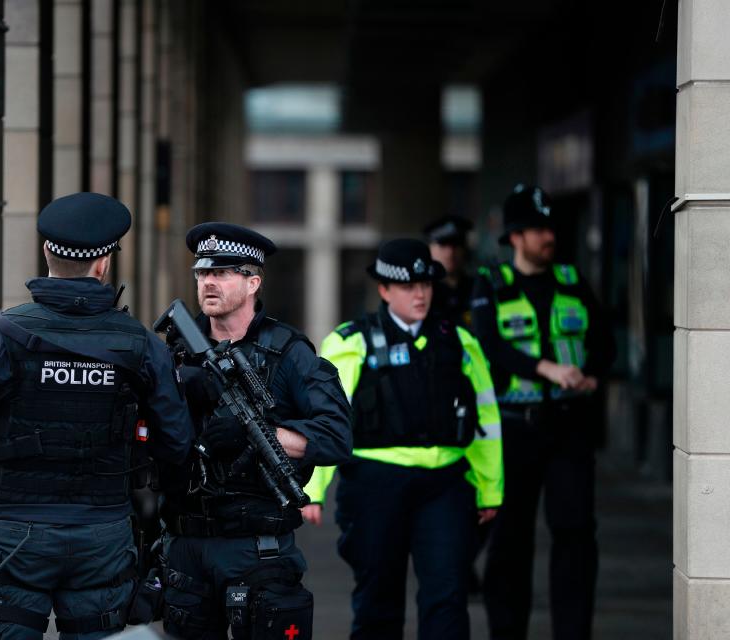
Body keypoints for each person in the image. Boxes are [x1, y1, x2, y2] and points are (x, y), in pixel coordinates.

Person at [0, 192, 193, 640]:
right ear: (104, 263)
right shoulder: (143, 345)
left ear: (47, 251)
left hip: (14, 536)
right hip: (103, 538)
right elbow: (176, 445)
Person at [158, 222, 352, 640]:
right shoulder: (170, 352)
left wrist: (259, 433)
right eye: (202, 273)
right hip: (185, 543)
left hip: (256, 548)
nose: (208, 282)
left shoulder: (288, 351)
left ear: (253, 283)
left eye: (222, 273)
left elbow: (336, 435)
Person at [302, 238, 503, 640]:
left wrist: (489, 488)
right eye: (409, 286)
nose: (420, 294)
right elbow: (324, 419)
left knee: (447, 596)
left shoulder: (460, 342)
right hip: (375, 485)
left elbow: (486, 420)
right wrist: (314, 487)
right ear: (384, 289)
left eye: (426, 285)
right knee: (378, 598)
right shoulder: (350, 342)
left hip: (445, 485)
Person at [473, 184, 614, 640]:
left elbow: (604, 344)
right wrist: (545, 368)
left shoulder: (573, 280)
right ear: (515, 236)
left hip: (570, 429)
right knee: (510, 541)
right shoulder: (490, 284)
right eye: (537, 228)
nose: (547, 236)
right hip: (516, 431)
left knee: (575, 537)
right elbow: (490, 348)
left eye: (549, 226)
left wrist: (590, 374)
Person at [424, 215, 475, 327]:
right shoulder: (421, 292)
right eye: (443, 245)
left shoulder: (478, 287)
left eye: (455, 245)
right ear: (429, 248)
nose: (450, 253)